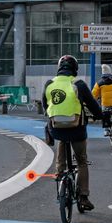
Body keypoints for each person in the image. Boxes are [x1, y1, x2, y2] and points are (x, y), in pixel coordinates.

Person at [42, 55, 104, 211]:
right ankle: (83, 197)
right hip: (77, 129)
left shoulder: (49, 84)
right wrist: (100, 116)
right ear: (75, 69)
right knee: (82, 161)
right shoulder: (79, 84)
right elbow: (93, 106)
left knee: (62, 139)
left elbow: (45, 106)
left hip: (56, 129)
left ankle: (59, 172)